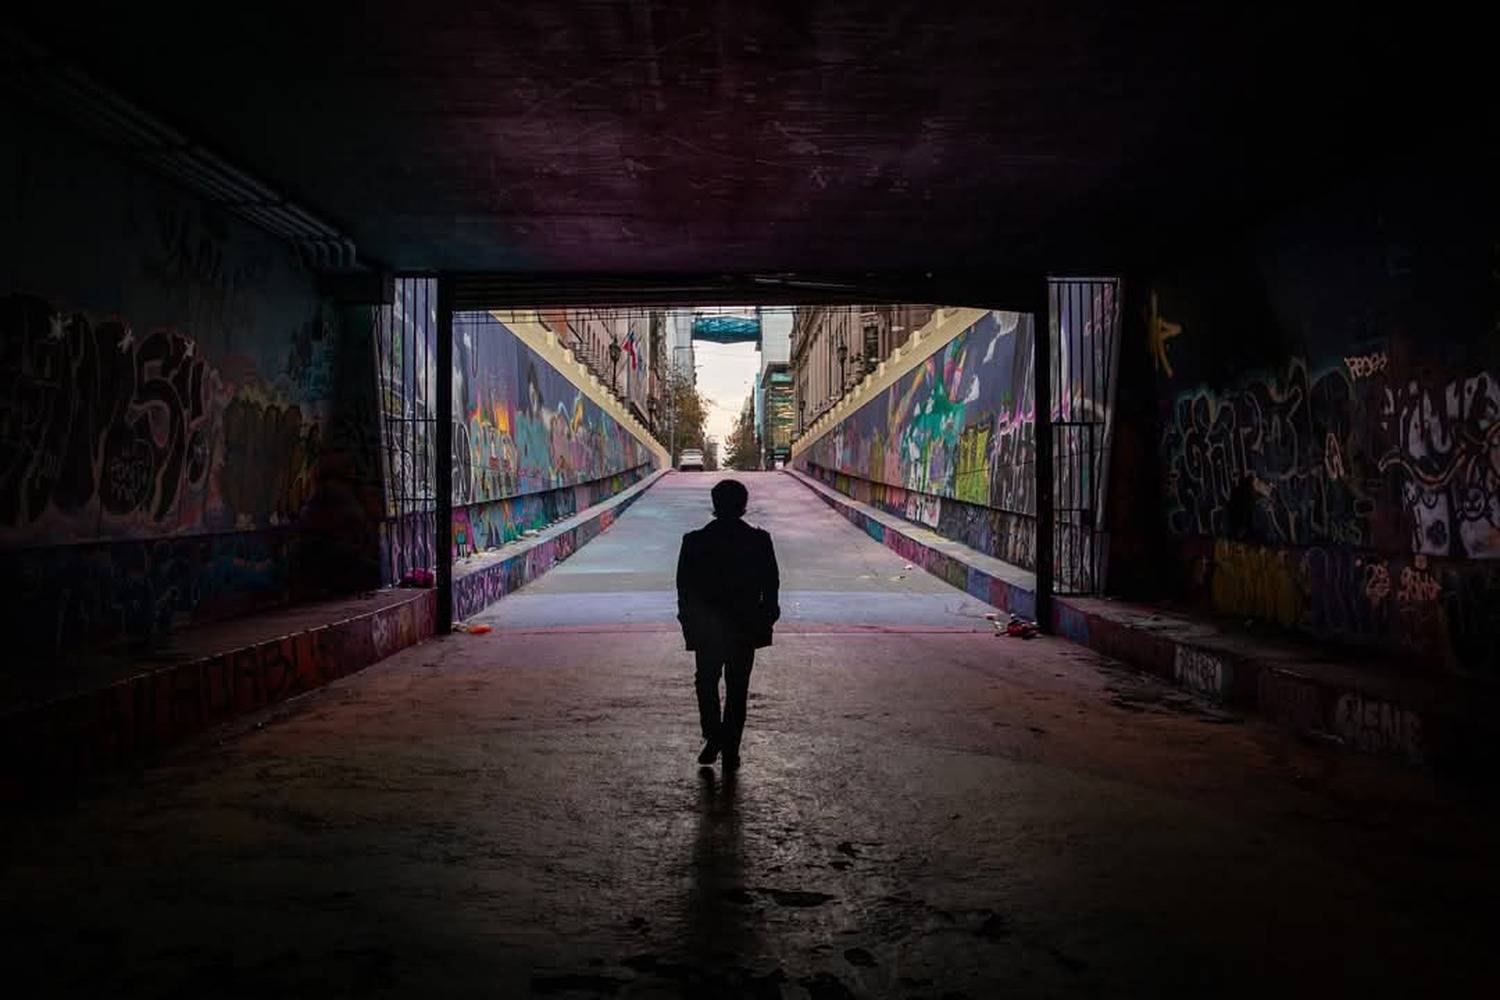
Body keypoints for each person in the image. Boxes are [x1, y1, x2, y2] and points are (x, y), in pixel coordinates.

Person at [676, 479, 780, 770]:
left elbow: (685, 588)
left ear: (715, 504)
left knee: (706, 683)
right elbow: (771, 585)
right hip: (743, 627)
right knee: (737, 688)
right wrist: (767, 618)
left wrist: (688, 622)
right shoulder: (759, 541)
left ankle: (713, 737)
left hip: (707, 627)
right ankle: (731, 749)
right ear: (743, 505)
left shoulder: (694, 541)